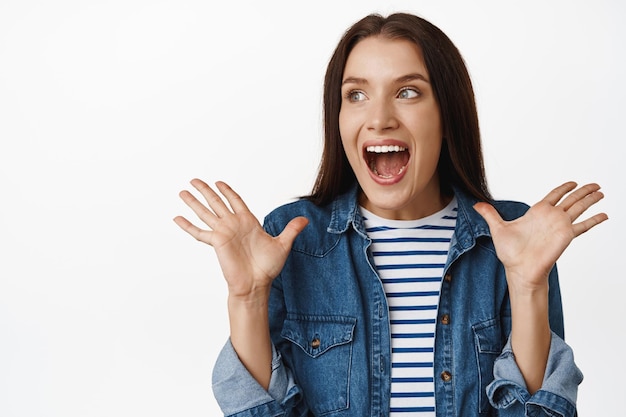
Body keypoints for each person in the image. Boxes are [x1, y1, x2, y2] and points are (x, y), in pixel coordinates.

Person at [174, 12, 607, 417]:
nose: (379, 118)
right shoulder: (293, 239)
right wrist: (247, 298)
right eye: (356, 95)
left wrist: (528, 285)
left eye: (407, 92)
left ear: (446, 114)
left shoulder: (512, 237)